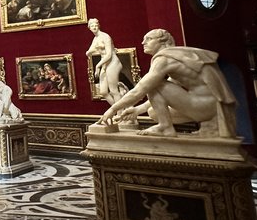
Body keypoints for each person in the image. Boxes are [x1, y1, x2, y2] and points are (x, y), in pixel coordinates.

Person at [98, 28, 237, 137]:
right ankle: (168, 126)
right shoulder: (177, 56)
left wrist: (112, 109)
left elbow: (141, 89)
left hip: (205, 105)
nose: (143, 42)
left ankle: (165, 127)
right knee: (153, 112)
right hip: (212, 107)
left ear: (162, 42)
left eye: (148, 39)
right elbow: (169, 88)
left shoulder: (164, 59)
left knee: (153, 84)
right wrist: (137, 110)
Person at [86, 18, 125, 106]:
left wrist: (97, 66)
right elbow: (89, 51)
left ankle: (120, 114)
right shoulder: (95, 39)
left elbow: (109, 55)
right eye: (92, 26)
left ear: (99, 26)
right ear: (89, 28)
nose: (94, 27)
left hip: (113, 63)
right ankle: (120, 111)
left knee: (113, 90)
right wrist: (89, 52)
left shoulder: (105, 36)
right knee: (103, 91)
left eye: (96, 25)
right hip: (105, 64)